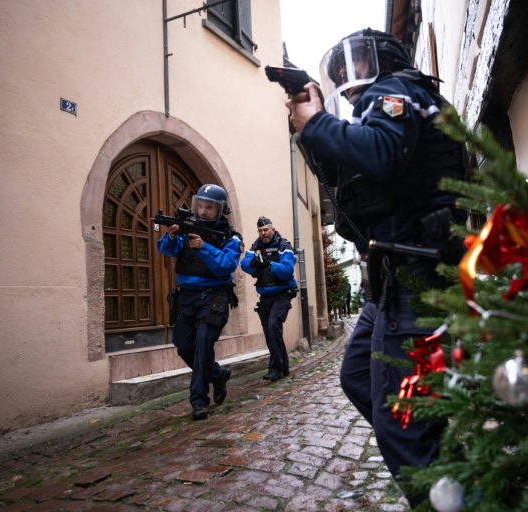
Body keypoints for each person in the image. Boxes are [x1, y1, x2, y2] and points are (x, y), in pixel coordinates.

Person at [286, 28, 469, 506]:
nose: (350, 79)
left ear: (381, 60)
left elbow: (381, 156)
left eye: (357, 67)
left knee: (402, 425)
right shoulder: (400, 100)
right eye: (341, 73)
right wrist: (315, 125)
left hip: (415, 273)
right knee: (358, 377)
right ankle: (450, 464)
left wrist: (318, 125)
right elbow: (356, 192)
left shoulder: (396, 90)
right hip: (396, 277)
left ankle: (448, 491)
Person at [155, 184, 241, 421]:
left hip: (214, 295)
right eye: (200, 206)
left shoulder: (231, 237)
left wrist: (204, 248)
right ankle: (217, 374)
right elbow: (165, 249)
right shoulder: (187, 228)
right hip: (186, 296)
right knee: (183, 345)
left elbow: (226, 266)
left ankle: (199, 400)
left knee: (204, 342)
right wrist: (172, 234)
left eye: (209, 208)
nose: (203, 212)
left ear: (220, 210)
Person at [240, 216, 298, 382]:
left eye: (266, 230)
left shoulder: (284, 246)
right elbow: (244, 264)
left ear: (273, 229)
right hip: (265, 295)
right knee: (270, 332)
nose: (263, 233)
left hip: (282, 293)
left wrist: (269, 265)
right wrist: (255, 264)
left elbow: (287, 270)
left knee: (273, 326)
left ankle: (275, 368)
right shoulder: (256, 246)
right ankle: (283, 366)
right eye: (260, 231)